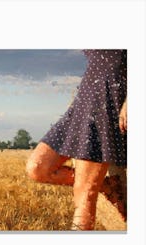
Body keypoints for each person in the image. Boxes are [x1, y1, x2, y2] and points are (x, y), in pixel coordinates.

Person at [26, 50, 127, 230]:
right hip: (84, 100)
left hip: (109, 99)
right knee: (37, 169)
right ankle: (107, 186)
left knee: (84, 195)